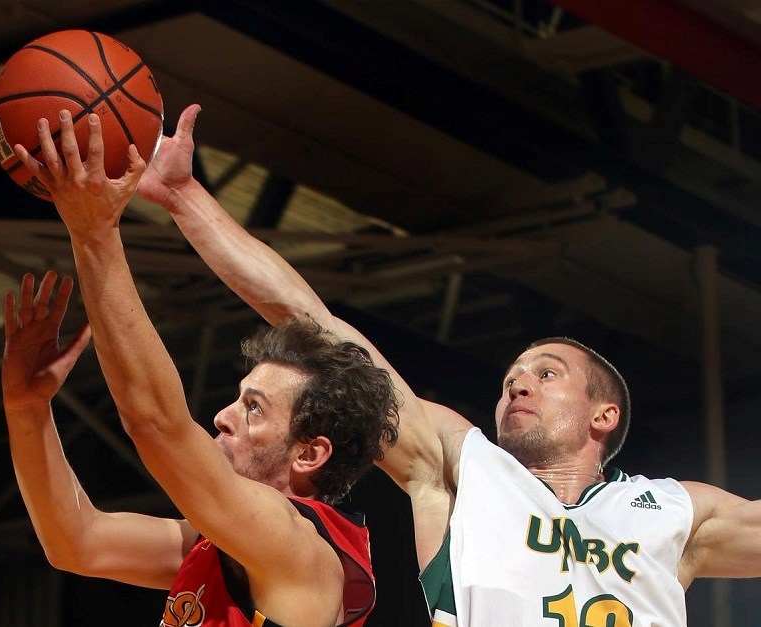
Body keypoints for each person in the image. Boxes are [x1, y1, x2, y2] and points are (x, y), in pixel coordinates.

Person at [135, 104, 761, 626]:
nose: (518, 380)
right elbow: (312, 322)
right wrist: (184, 198)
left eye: (547, 373)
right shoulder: (464, 468)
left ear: (605, 414)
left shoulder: (676, 512)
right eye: (514, 372)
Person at [1, 110, 401, 626]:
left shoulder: (300, 549)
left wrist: (95, 233)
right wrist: (27, 411)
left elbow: (157, 426)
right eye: (239, 398)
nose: (223, 416)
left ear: (309, 453)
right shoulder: (214, 544)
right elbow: (77, 541)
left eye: (254, 408)